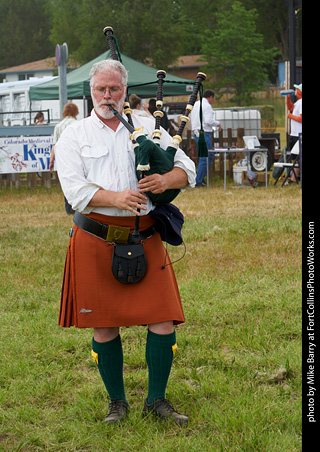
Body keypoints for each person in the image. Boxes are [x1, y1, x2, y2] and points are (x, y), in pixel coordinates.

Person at [55, 59, 196, 427]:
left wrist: (167, 181)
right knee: (104, 325)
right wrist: (115, 198)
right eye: (101, 89)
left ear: (125, 90)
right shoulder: (74, 135)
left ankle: (157, 400)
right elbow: (73, 188)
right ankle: (116, 403)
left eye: (114, 89)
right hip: (95, 237)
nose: (107, 96)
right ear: (90, 91)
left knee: (163, 319)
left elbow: (187, 168)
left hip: (145, 234)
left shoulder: (150, 127)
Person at [49, 103, 79, 214]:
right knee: (77, 182)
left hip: (63, 159)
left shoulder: (58, 126)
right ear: (76, 112)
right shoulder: (78, 124)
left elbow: (54, 145)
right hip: (75, 157)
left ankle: (68, 209)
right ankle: (77, 207)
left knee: (66, 182)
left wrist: (51, 161)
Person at [190, 89, 221, 186]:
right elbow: (208, 121)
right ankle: (198, 181)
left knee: (208, 156)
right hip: (204, 133)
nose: (212, 101)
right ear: (211, 97)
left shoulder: (196, 104)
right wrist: (218, 124)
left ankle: (200, 178)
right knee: (205, 157)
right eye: (213, 99)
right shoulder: (207, 106)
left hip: (196, 132)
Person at [286, 83, 302, 182]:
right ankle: (294, 178)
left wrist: (290, 116)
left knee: (298, 157)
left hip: (299, 134)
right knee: (296, 157)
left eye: (297, 89)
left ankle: (293, 178)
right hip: (294, 134)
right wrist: (288, 98)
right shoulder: (298, 102)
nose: (295, 90)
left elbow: (301, 119)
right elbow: (291, 108)